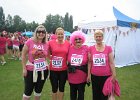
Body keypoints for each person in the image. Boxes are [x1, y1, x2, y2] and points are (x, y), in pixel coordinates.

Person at [22, 25, 49, 100]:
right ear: (36, 33)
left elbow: (47, 56)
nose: (41, 33)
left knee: (38, 91)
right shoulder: (30, 41)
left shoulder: (46, 44)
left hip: (43, 70)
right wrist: (24, 68)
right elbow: (23, 55)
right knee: (28, 91)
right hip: (30, 70)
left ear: (45, 33)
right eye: (39, 31)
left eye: (43, 32)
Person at [87, 30, 116, 100]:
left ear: (102, 37)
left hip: (106, 76)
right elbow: (89, 62)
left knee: (105, 95)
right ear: (94, 37)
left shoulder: (108, 48)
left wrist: (114, 74)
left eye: (100, 36)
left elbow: (111, 62)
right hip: (95, 76)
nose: (98, 38)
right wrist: (88, 75)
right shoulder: (90, 48)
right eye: (96, 36)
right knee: (96, 94)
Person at [48, 27, 70, 100]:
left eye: (61, 34)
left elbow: (69, 55)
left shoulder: (68, 43)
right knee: (54, 88)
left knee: (61, 88)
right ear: (56, 34)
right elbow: (46, 52)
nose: (60, 36)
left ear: (64, 34)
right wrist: (50, 58)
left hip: (63, 70)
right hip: (53, 70)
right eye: (58, 34)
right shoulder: (50, 42)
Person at [67, 31, 89, 100]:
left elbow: (90, 62)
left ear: (82, 39)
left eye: (79, 39)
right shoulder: (70, 48)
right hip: (72, 75)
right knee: (72, 95)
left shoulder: (86, 48)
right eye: (76, 39)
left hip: (82, 76)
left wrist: (89, 75)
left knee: (81, 95)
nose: (78, 40)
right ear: (73, 40)